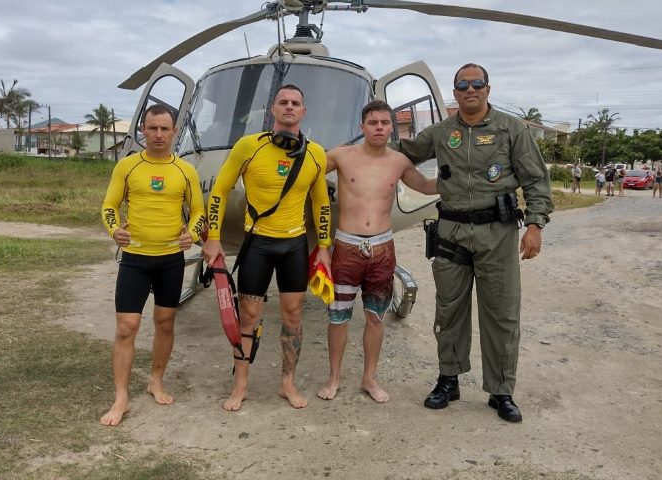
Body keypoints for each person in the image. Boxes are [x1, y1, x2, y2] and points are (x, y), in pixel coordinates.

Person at [393, 63, 553, 423]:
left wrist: (535, 225)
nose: (470, 89)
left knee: (501, 313)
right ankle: (448, 380)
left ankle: (501, 391)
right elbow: (400, 152)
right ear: (455, 92)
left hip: (497, 233)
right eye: (462, 85)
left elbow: (535, 181)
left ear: (487, 88)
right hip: (451, 232)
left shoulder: (511, 128)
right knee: (449, 310)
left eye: (476, 83)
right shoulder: (440, 132)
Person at [203, 84, 332, 411]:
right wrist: (214, 237)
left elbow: (321, 205)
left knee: (293, 315)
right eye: (283, 102)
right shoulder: (248, 147)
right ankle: (241, 385)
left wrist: (326, 247)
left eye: (296, 103)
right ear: (271, 110)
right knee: (249, 315)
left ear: (303, 112)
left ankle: (287, 383)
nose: (289, 107)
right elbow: (219, 190)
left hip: (294, 245)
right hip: (257, 244)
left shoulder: (316, 153)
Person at [317, 100, 437, 403]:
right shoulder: (341, 156)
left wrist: (465, 178)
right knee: (338, 317)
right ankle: (334, 377)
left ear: (391, 127)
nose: (380, 127)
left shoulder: (398, 161)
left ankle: (369, 378)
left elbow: (425, 186)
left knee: (375, 317)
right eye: (374, 123)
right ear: (362, 127)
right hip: (346, 247)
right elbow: (307, 173)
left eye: (385, 122)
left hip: (382, 250)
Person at [99, 104, 206, 426]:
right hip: (135, 259)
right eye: (152, 128)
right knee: (126, 327)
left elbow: (199, 212)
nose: (158, 134)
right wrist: (113, 228)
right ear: (142, 130)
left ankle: (156, 381)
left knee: (165, 323)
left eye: (164, 129)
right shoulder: (128, 167)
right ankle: (121, 397)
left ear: (175, 132)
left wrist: (194, 233)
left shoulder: (186, 171)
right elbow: (109, 205)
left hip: (170, 260)